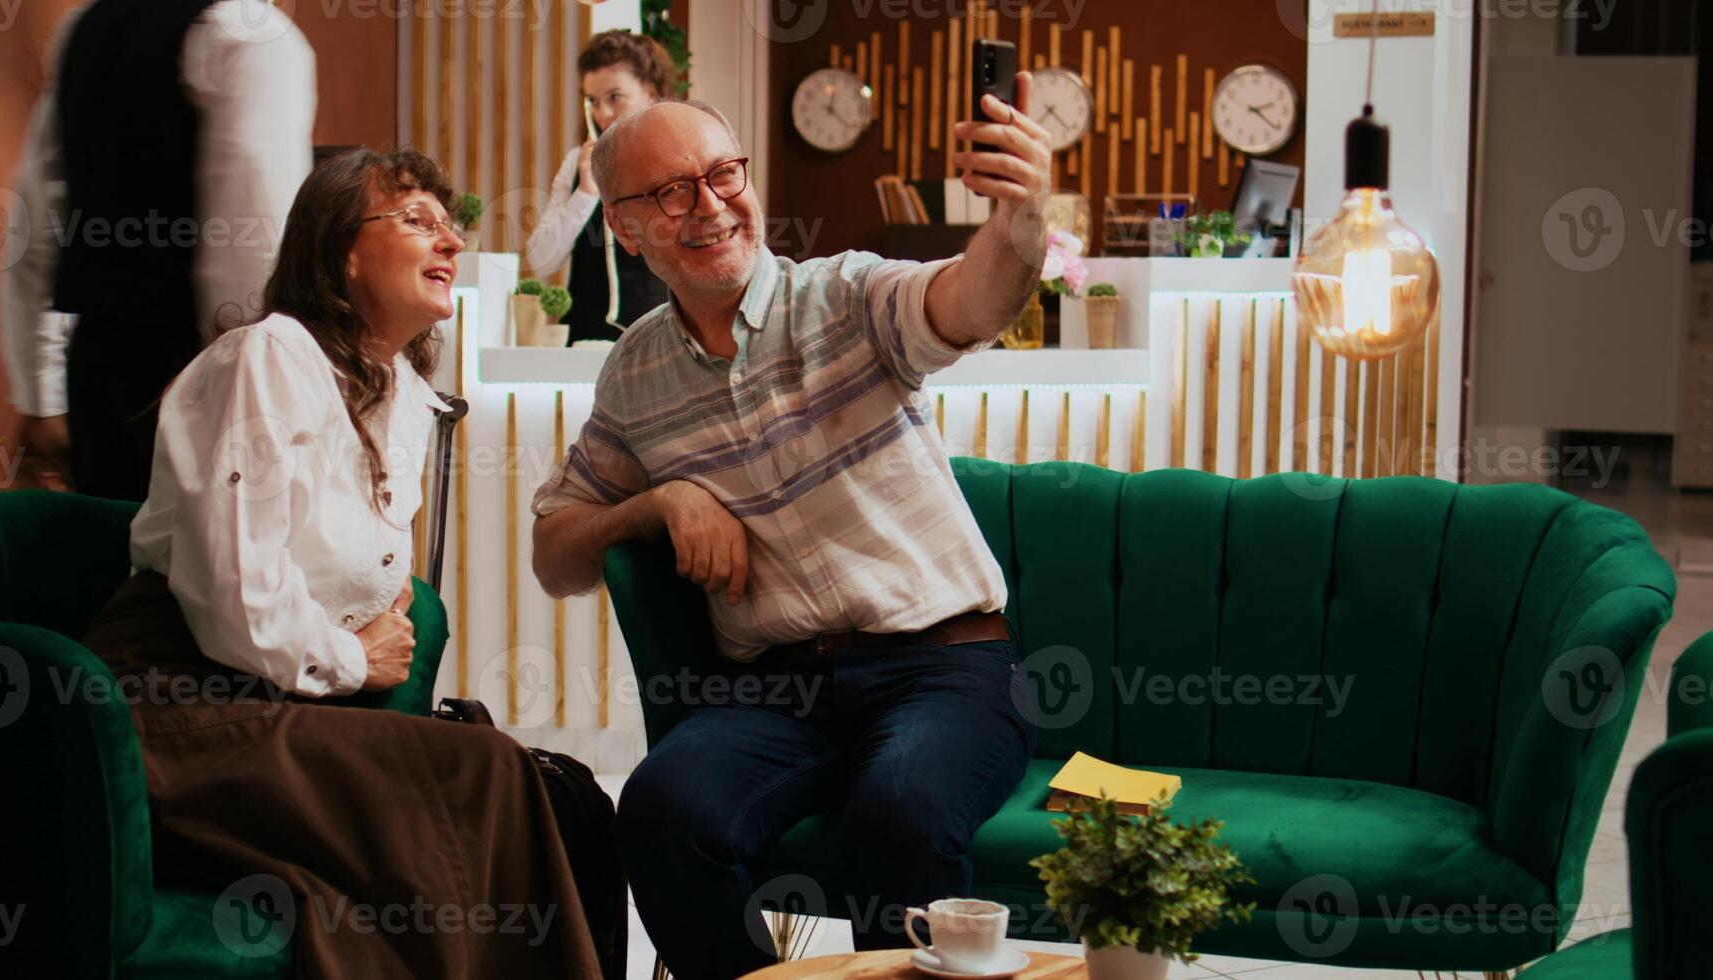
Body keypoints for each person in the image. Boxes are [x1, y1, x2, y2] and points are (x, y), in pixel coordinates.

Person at [529, 79, 1055, 978]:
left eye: (723, 173)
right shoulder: (634, 373)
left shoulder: (846, 296)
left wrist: (1021, 219)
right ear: (624, 228)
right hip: (778, 694)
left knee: (898, 814)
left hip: (946, 668)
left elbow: (971, 302)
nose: (710, 206)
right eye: (671, 192)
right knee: (661, 808)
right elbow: (555, 553)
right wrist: (657, 503)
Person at [82, 148, 604, 979]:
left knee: (489, 791)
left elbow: (361, 580)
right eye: (416, 221)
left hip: (272, 703)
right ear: (340, 250)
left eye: (450, 225)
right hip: (170, 706)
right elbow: (233, 599)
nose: (449, 244)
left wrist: (360, 628)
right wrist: (356, 656)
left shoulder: (395, 393)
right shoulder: (271, 354)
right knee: (488, 771)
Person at [0, 0, 315, 500]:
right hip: (198, 372)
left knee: (105, 562)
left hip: (96, 371)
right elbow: (251, 244)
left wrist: (40, 393)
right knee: (214, 572)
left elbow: (34, 226)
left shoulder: (85, 28)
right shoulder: (254, 38)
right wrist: (258, 400)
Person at [521, 29, 673, 345]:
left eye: (615, 97)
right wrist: (586, 193)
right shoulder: (577, 162)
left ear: (651, 94)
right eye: (593, 101)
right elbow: (541, 260)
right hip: (585, 344)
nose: (602, 114)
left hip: (661, 339)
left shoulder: (677, 162)